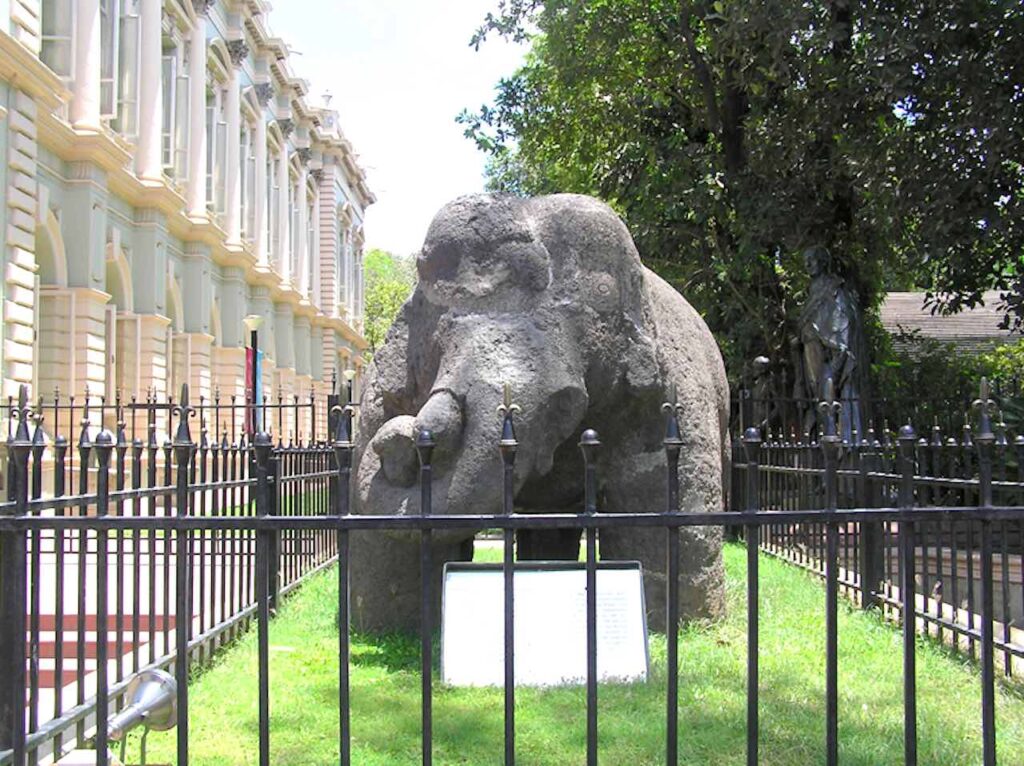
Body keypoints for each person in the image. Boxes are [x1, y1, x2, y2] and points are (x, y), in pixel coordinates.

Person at [798, 246, 862, 441]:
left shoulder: (834, 290)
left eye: (812, 259)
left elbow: (839, 323)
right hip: (811, 348)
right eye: (806, 261)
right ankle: (822, 440)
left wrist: (829, 342)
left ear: (824, 262)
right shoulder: (813, 291)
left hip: (829, 353)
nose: (808, 265)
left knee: (828, 396)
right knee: (816, 397)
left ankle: (835, 441)